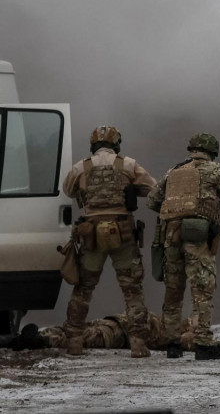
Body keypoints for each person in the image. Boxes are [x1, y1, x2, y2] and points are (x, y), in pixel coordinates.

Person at [62, 125, 157, 358]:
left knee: (83, 289)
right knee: (132, 290)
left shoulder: (80, 167)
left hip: (91, 234)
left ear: (92, 145)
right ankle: (137, 344)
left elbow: (67, 190)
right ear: (116, 143)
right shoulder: (128, 164)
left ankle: (74, 343)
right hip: (122, 233)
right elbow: (153, 189)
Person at [149, 132, 220, 360]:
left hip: (170, 236)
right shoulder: (215, 170)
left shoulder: (173, 171)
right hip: (197, 236)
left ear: (191, 149)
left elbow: (152, 200)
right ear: (212, 152)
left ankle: (172, 344)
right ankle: (202, 342)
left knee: (173, 290)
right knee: (202, 289)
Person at [0, 313, 196, 353]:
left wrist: (197, 335)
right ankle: (16, 340)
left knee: (82, 338)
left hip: (119, 334)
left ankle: (39, 341)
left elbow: (189, 341)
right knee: (71, 328)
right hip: (112, 322)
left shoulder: (175, 338)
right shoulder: (173, 322)